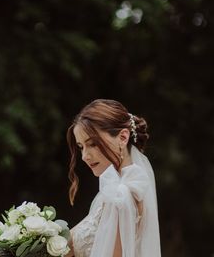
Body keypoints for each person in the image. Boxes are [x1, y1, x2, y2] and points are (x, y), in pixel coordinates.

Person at [66, 99, 160, 257]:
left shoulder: (122, 195)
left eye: (93, 144)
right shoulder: (113, 191)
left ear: (123, 137)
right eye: (81, 147)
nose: (84, 156)